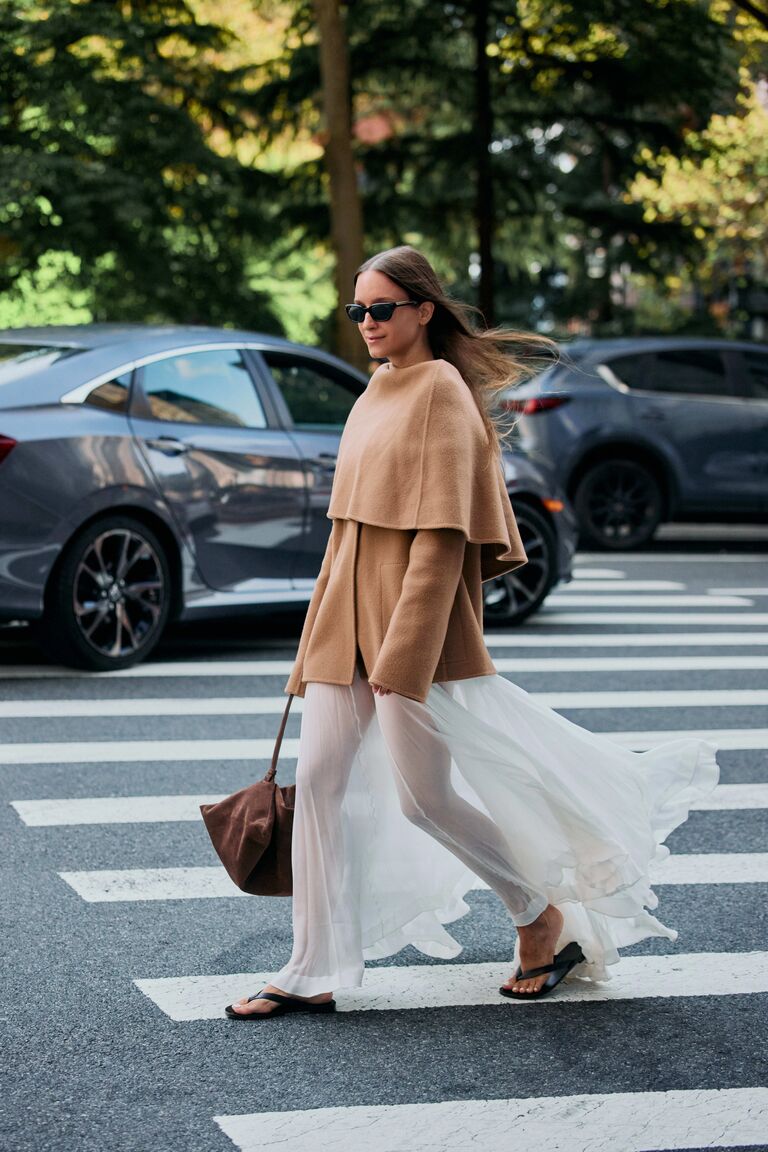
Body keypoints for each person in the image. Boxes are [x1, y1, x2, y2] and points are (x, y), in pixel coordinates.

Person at [226, 244, 719, 1019]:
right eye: (358, 311)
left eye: (382, 309)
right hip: (344, 619)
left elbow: (441, 541)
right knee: (319, 783)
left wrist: (405, 653)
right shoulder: (373, 392)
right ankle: (310, 968)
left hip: (403, 627)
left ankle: (536, 913)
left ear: (424, 309)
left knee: (424, 801)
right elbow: (344, 533)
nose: (368, 324)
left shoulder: (443, 394)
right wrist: (313, 639)